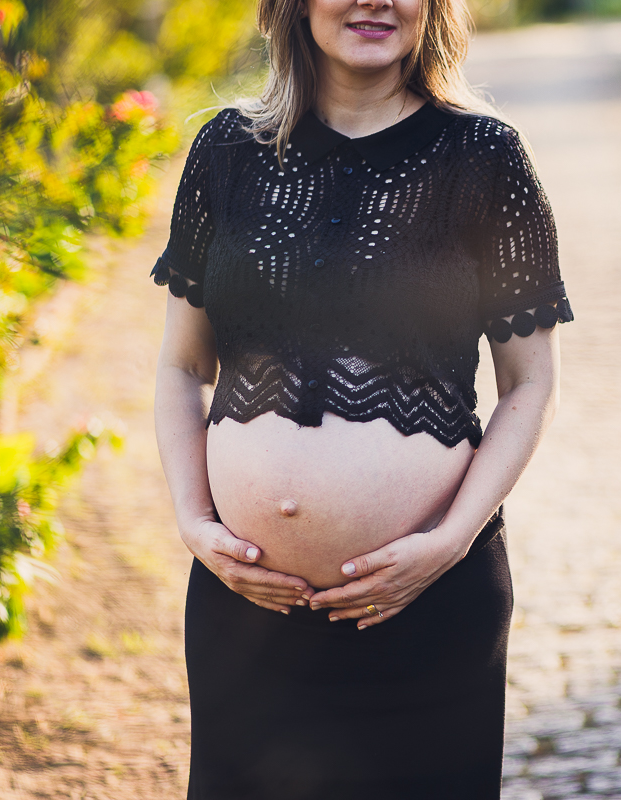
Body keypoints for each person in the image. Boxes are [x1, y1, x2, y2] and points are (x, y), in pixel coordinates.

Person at [151, 0, 572, 793]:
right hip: (246, 619)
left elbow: (532, 383)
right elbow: (180, 369)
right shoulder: (224, 154)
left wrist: (445, 545)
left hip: (426, 612)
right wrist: (193, 522)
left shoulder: (486, 159)